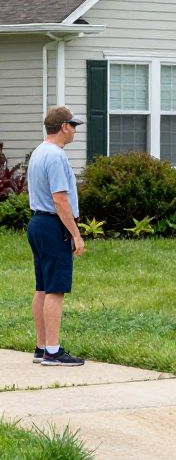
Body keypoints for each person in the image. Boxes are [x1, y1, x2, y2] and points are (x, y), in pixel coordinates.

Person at [27, 106, 86, 366]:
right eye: (73, 125)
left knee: (42, 286)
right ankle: (53, 351)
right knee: (55, 289)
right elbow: (60, 199)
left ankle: (41, 347)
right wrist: (75, 233)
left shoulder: (39, 152)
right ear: (63, 126)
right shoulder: (56, 156)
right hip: (53, 225)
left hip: (37, 223)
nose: (74, 130)